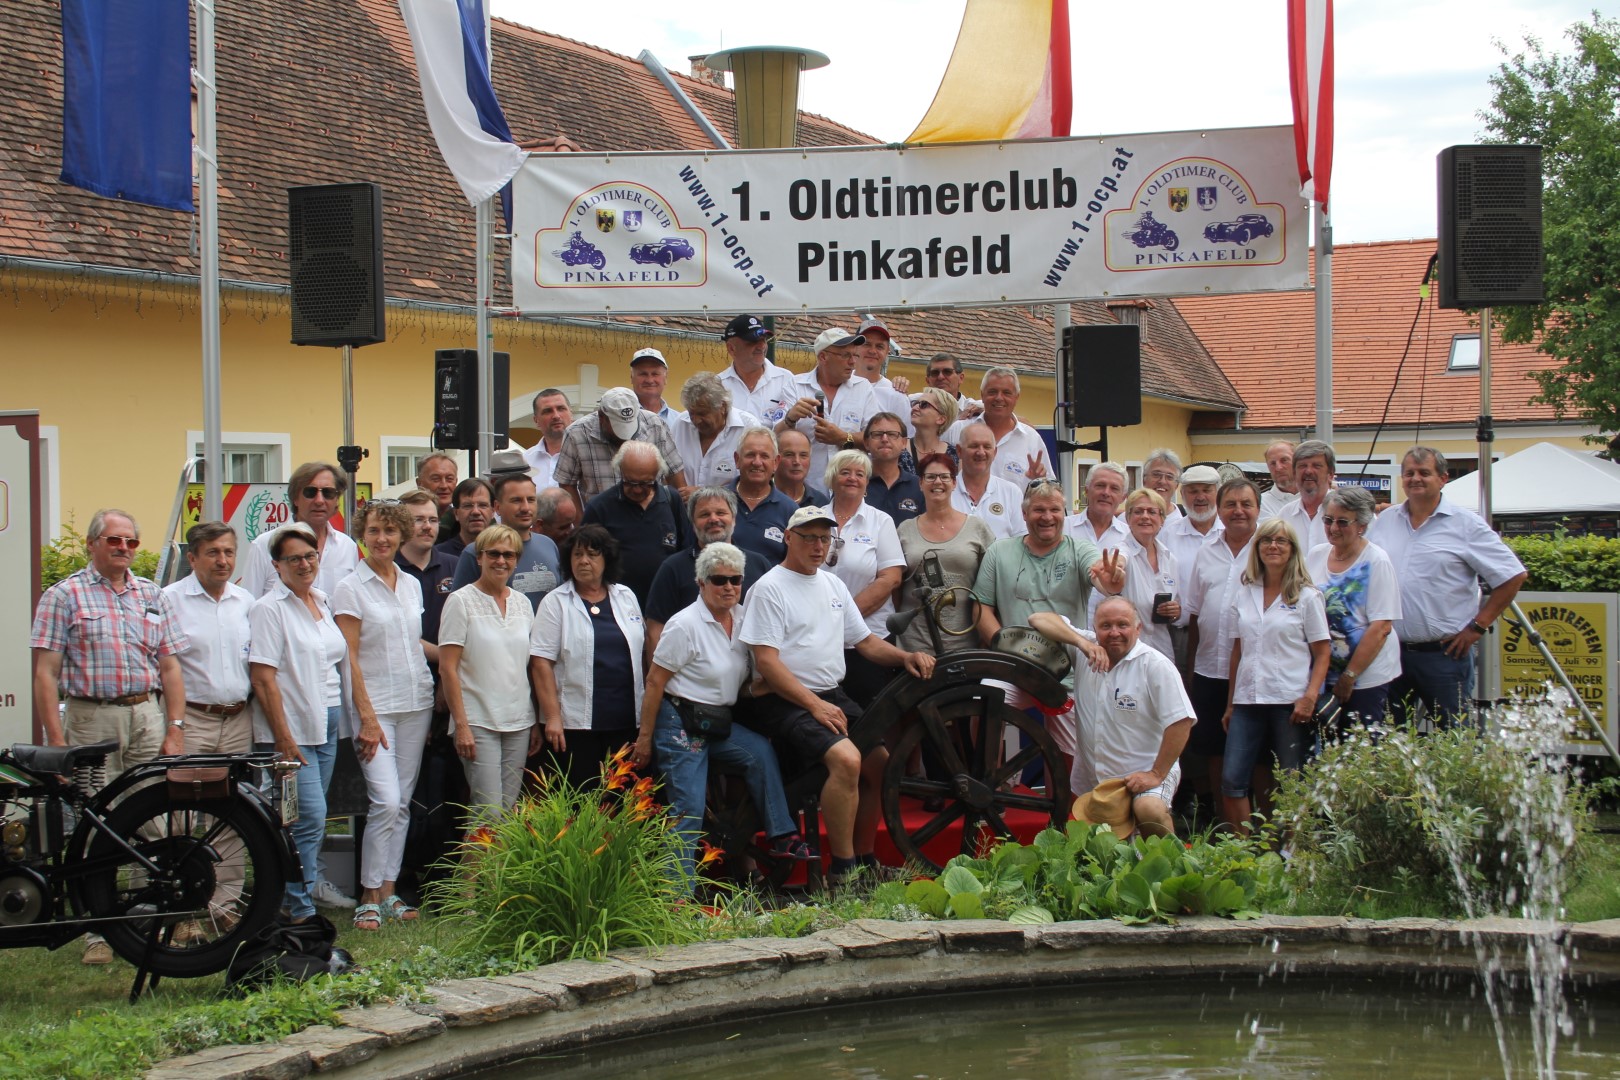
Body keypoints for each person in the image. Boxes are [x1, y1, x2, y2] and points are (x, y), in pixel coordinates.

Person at [740, 506, 936, 886]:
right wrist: (814, 704)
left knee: (879, 764)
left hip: (831, 693)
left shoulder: (833, 585)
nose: (817, 546)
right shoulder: (769, 588)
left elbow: (863, 641)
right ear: (788, 537)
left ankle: (865, 860)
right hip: (784, 699)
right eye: (809, 537)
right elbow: (766, 662)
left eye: (824, 538)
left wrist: (906, 656)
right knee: (847, 760)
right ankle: (842, 871)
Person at [32, 508, 186, 965]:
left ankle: (147, 921)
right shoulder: (64, 596)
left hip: (146, 714)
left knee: (153, 819)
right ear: (93, 544)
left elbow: (171, 666)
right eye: (114, 541)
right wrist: (56, 742)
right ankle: (96, 930)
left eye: (131, 542)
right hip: (91, 719)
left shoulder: (152, 595)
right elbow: (45, 673)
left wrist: (174, 728)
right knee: (93, 824)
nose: (124, 549)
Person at [632, 542, 812, 885]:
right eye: (719, 580)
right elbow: (655, 682)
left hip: (717, 720)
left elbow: (748, 678)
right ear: (701, 583)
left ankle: (782, 834)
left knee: (760, 752)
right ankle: (677, 898)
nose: (728, 586)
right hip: (679, 724)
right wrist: (645, 738)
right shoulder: (683, 625)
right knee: (688, 810)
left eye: (735, 579)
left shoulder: (745, 618)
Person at [1367, 446, 1527, 728]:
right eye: (1409, 473)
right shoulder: (1385, 521)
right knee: (1388, 742)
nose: (1415, 479)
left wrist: (1478, 626)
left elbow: (1512, 575)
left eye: (1424, 473)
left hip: (1443, 656)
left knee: (1452, 741)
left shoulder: (1465, 525)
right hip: (1390, 653)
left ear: (1443, 479)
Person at [332, 501, 435, 930]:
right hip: (374, 708)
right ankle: (368, 894)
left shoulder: (410, 584)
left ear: (401, 535)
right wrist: (367, 717)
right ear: (362, 534)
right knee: (384, 800)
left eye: (390, 532)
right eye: (374, 531)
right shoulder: (349, 588)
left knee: (403, 804)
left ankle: (390, 891)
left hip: (416, 703)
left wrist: (456, 662)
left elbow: (415, 645)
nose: (382, 539)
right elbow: (348, 658)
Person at [248, 522, 347, 927]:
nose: (305, 564)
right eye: (294, 559)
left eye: (310, 556)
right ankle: (297, 904)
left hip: (327, 720)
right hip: (293, 729)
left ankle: (294, 897)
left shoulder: (322, 601)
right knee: (307, 815)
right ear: (277, 565)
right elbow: (262, 676)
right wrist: (283, 738)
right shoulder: (269, 609)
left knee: (311, 820)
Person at [1030, 598, 1195, 837]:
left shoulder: (1156, 665)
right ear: (1095, 628)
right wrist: (1082, 643)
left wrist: (1156, 774)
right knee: (1097, 855)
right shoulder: (1085, 648)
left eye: (1123, 625)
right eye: (1105, 626)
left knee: (1148, 809)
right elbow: (1037, 619)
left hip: (1143, 775)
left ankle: (1174, 865)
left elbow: (1181, 722)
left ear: (1138, 629)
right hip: (1093, 779)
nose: (1114, 632)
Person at [164, 520, 254, 937]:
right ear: (192, 557)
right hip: (193, 720)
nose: (222, 560)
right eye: (213, 553)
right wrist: (174, 726)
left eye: (229, 552)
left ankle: (224, 904)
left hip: (238, 719)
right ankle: (179, 911)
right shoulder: (169, 601)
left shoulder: (245, 602)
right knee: (180, 817)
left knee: (232, 814)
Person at [1220, 518, 1331, 834]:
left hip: (1290, 703)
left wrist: (1310, 696)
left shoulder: (1307, 596)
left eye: (1281, 541)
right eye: (1267, 540)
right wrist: (1230, 705)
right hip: (1247, 701)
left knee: (1291, 782)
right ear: (1257, 548)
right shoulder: (1245, 593)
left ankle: (1290, 855)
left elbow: (1322, 652)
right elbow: (1238, 652)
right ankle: (1245, 854)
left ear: (1293, 549)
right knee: (1232, 779)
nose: (1273, 546)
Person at [530, 524, 645, 789]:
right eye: (578, 554)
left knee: (622, 801)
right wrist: (553, 717)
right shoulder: (555, 602)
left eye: (593, 554)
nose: (584, 561)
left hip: (626, 721)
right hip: (574, 725)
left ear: (607, 559)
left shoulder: (626, 596)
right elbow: (540, 663)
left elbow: (642, 655)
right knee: (580, 801)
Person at [438, 524, 539, 819]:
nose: (501, 561)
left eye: (509, 555)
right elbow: (448, 668)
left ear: (517, 560)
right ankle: (473, 869)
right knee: (487, 813)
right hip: (478, 720)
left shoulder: (522, 604)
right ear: (479, 557)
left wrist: (534, 720)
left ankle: (495, 868)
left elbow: (528, 666)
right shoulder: (460, 601)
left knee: (507, 815)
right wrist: (462, 725)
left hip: (518, 721)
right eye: (493, 553)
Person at [1183, 478, 1261, 813]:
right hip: (1208, 668)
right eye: (1231, 504)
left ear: (1258, 509)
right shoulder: (1207, 550)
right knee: (1213, 748)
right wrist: (1189, 671)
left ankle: (1260, 826)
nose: (1238, 511)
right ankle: (1222, 822)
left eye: (1246, 504)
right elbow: (1195, 615)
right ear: (1220, 508)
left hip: (1253, 670)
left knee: (1256, 752)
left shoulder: (1269, 547)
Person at [1306, 486, 1402, 730]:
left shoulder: (1376, 561)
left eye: (1342, 522)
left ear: (1361, 525)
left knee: (1361, 750)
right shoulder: (1316, 555)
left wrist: (1349, 676)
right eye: (1328, 520)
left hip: (1365, 678)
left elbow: (1381, 627)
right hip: (1324, 675)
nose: (1333, 528)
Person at [822, 449, 907, 705]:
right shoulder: (813, 518)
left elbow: (891, 578)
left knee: (870, 719)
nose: (852, 478)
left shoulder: (881, 521)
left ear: (867, 483)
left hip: (870, 637)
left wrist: (843, 618)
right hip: (820, 638)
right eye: (845, 472)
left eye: (860, 474)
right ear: (832, 478)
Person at [642, 487, 773, 650]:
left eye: (721, 513)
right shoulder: (672, 568)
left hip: (751, 668)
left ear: (733, 518)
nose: (713, 519)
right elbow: (655, 630)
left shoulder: (759, 565)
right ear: (692, 522)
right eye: (704, 515)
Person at [895, 453, 995, 655]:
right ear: (921, 483)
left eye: (944, 476)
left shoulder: (977, 527)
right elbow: (896, 587)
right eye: (930, 477)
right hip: (915, 648)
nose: (937, 482)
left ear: (954, 483)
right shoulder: (904, 530)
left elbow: (994, 584)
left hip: (967, 646)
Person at [581, 441, 690, 606]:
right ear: (620, 472)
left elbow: (685, 549)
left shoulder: (671, 500)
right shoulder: (600, 507)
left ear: (657, 476)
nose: (637, 489)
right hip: (617, 605)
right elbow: (585, 558)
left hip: (666, 602)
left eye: (646, 483)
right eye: (630, 482)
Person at [239, 461, 361, 596]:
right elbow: (249, 603)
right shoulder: (264, 545)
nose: (319, 500)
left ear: (337, 500)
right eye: (310, 492)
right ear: (295, 498)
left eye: (328, 493)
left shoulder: (348, 547)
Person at [776, 327, 880, 483]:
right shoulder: (795, 385)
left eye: (855, 355)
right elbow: (774, 437)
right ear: (823, 357)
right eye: (845, 355)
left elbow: (875, 438)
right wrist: (790, 419)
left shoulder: (863, 388)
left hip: (848, 485)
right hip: (804, 487)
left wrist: (843, 438)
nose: (852, 362)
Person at [555, 386, 687, 509]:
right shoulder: (576, 433)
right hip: (601, 521)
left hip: (650, 515)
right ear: (602, 417)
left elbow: (675, 473)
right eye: (618, 429)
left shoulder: (655, 424)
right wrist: (582, 525)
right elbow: (566, 483)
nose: (625, 437)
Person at [450, 473, 562, 612]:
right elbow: (459, 607)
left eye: (531, 499)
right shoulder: (476, 551)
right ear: (497, 507)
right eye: (516, 500)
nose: (525, 508)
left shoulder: (549, 545)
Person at [1092, 488, 1180, 660]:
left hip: (1163, 652)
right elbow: (1118, 561)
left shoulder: (1170, 559)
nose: (1145, 516)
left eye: (1152, 512)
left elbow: (1177, 605)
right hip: (1128, 654)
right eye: (1138, 511)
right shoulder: (1121, 550)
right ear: (1128, 519)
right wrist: (1115, 568)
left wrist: (1175, 611)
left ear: (1162, 519)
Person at [1163, 464, 1223, 674]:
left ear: (1218, 492)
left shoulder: (1232, 533)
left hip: (1222, 634)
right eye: (1193, 491)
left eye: (1207, 490)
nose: (1200, 497)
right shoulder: (1168, 535)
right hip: (1180, 634)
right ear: (1182, 494)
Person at [944, 366, 1047, 488]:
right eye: (992, 392)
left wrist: (1039, 482)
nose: (999, 398)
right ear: (982, 395)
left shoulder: (1031, 439)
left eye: (1006, 393)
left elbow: (1049, 491)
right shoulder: (957, 430)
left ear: (1016, 397)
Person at [667, 370, 759, 491]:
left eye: (702, 413)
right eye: (691, 413)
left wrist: (703, 494)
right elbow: (669, 467)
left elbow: (756, 479)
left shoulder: (748, 427)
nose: (696, 420)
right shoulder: (681, 423)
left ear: (723, 407)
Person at [727, 426, 798, 564]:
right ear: (737, 459)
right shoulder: (717, 502)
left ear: (776, 462)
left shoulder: (790, 510)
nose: (757, 462)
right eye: (750, 455)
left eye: (764, 456)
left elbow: (794, 565)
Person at [396, 488, 457, 646]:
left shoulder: (456, 565)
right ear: (400, 524)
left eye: (433, 520)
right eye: (418, 520)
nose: (427, 526)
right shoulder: (389, 571)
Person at [718, 313, 799, 425]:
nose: (761, 346)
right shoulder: (717, 385)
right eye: (753, 341)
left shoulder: (786, 379)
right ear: (731, 348)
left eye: (764, 340)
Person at [952, 422, 1026, 540]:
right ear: (959, 451)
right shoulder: (945, 492)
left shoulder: (1011, 492)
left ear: (995, 452)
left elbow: (1021, 541)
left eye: (987, 447)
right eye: (974, 446)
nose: (981, 452)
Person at [853, 315, 914, 435]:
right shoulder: (840, 384)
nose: (872, 351)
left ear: (887, 352)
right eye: (867, 344)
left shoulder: (896, 395)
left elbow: (906, 439)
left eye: (879, 346)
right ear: (855, 347)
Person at [862, 412, 924, 526]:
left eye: (892, 434)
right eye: (877, 434)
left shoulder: (919, 486)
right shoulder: (854, 482)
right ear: (866, 443)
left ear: (904, 443)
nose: (885, 439)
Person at [1273, 439, 1335, 552]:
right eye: (1302, 466)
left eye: (1316, 466)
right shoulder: (1285, 516)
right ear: (1294, 473)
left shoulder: (1349, 512)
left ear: (1330, 474)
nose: (1308, 471)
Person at [1065, 461, 1131, 552]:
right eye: (1100, 485)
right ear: (1086, 491)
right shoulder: (1064, 528)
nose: (1106, 493)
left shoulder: (1129, 536)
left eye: (1114, 488)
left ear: (1123, 497)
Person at [522, 388, 574, 491]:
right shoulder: (525, 461)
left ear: (571, 413)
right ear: (536, 420)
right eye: (548, 411)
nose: (556, 416)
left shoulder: (586, 456)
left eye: (561, 408)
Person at [904, 386, 959, 475]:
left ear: (941, 419)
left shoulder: (954, 455)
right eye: (915, 403)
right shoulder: (898, 448)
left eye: (924, 404)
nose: (915, 408)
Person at [437, 477, 493, 561]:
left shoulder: (508, 552)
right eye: (468, 506)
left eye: (482, 505)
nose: (476, 512)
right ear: (456, 513)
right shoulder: (438, 555)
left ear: (493, 511)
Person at [774, 427, 828, 508]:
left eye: (803, 455)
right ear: (775, 459)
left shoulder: (820, 503)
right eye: (789, 454)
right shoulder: (760, 498)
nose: (797, 461)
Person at [415, 452, 460, 544]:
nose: (444, 486)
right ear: (419, 483)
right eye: (436, 479)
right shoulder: (405, 520)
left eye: (449, 479)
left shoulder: (462, 522)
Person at [925, 352, 982, 419]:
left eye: (947, 372)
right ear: (927, 380)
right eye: (935, 373)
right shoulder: (915, 406)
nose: (940, 377)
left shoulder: (976, 410)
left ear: (961, 378)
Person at [629, 346, 674, 423]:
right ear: (631, 377)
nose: (649, 380)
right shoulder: (616, 418)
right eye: (643, 374)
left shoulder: (679, 422)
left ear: (665, 378)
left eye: (655, 374)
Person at [1258, 440, 1300, 519]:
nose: (1278, 468)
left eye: (1284, 460)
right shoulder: (1262, 504)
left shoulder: (1315, 497)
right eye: (1273, 463)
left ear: (1297, 462)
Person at [1142, 450, 1183, 516]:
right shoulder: (1126, 520)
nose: (1162, 481)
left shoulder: (1188, 519)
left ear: (1177, 485)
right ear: (1144, 480)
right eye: (1156, 474)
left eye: (1169, 477)